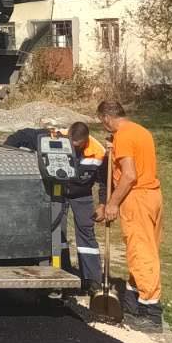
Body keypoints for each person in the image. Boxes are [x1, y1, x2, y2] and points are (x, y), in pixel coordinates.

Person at [96, 100, 164, 331]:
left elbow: (129, 175)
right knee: (146, 250)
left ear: (106, 118)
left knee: (141, 253)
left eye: (102, 122)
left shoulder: (124, 135)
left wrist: (112, 203)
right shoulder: (141, 132)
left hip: (136, 198)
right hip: (153, 195)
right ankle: (134, 303)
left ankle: (151, 312)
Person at [62, 120, 106, 291]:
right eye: (72, 145)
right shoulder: (56, 137)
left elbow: (104, 182)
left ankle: (92, 280)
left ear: (86, 140)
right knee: (57, 232)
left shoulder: (98, 152)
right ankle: (62, 272)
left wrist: (103, 204)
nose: (75, 149)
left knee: (86, 233)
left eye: (78, 146)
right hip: (58, 193)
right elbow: (25, 136)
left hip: (82, 194)